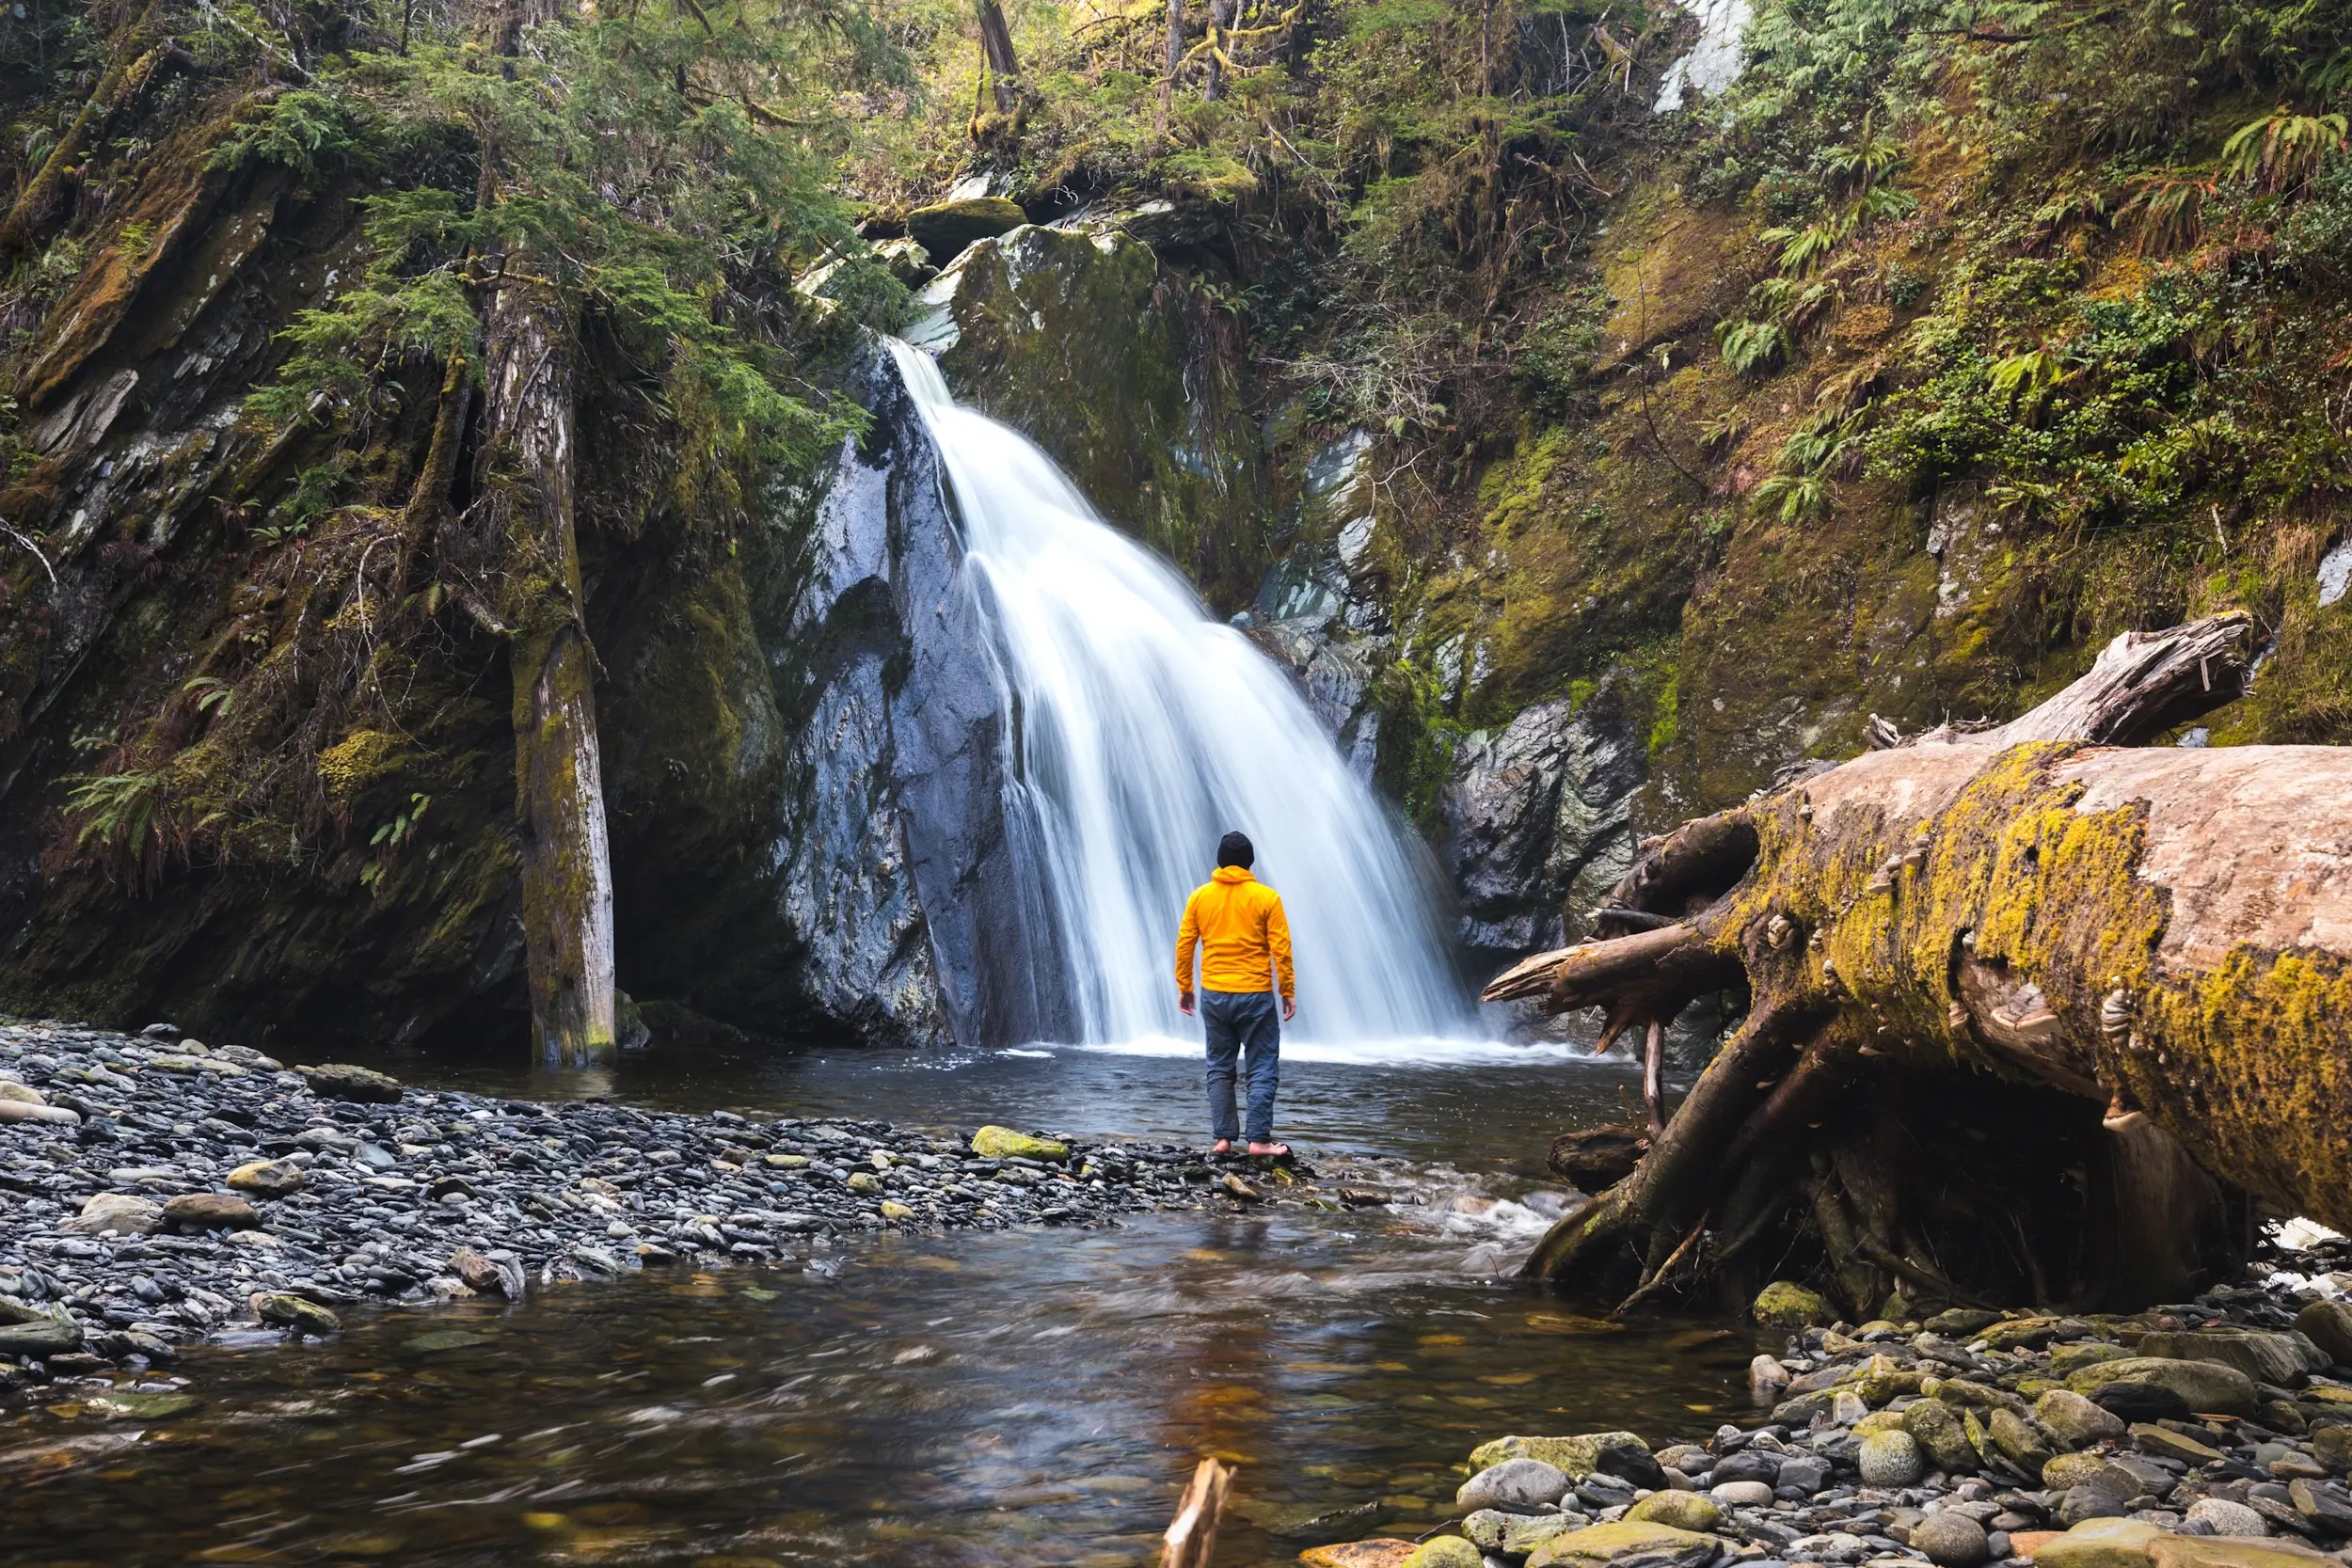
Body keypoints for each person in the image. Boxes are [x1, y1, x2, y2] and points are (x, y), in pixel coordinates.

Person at [1174, 830, 1296, 1157]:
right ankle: (1258, 1140)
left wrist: (1185, 987)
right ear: (1250, 863)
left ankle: (1223, 1139)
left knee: (1219, 1067)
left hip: (1214, 994)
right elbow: (1280, 950)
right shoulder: (1267, 898)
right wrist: (1287, 991)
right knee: (1262, 1066)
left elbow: (1185, 945)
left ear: (1219, 861)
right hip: (1255, 994)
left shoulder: (1200, 897)